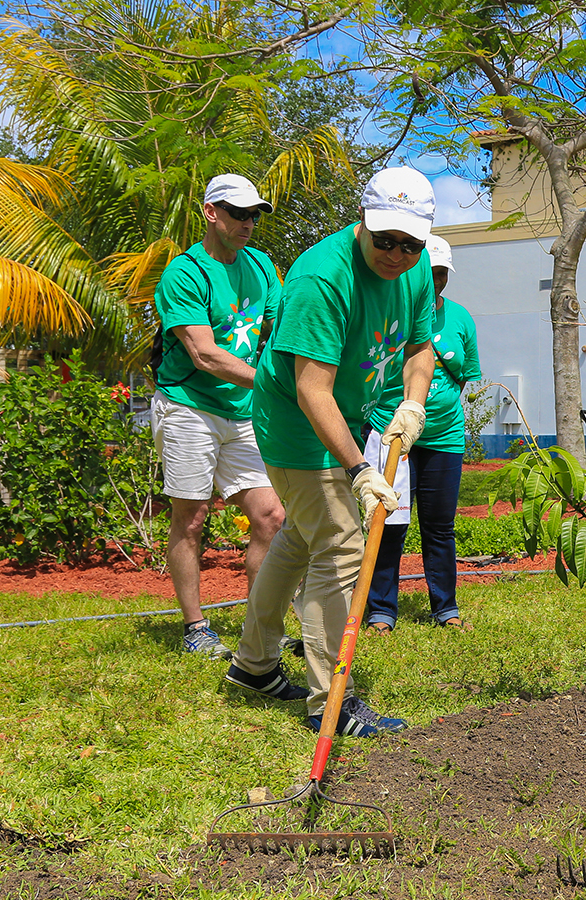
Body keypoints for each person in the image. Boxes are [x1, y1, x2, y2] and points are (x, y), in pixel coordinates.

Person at [226, 166, 438, 738]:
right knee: (342, 545)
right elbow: (310, 388)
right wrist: (360, 468)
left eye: (410, 244)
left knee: (299, 539)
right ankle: (330, 703)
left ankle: (253, 666)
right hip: (296, 424)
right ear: (363, 221)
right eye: (385, 239)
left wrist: (412, 405)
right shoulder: (323, 277)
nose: (396, 253)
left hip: (342, 415)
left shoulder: (414, 274)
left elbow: (421, 347)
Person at [150, 173, 286, 659]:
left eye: (255, 215)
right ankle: (195, 626)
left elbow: (279, 330)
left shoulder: (263, 266)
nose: (250, 223)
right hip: (190, 405)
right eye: (239, 213)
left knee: (271, 516)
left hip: (245, 409)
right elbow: (205, 355)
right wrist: (278, 384)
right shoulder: (185, 273)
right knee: (191, 518)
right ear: (212, 212)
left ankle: (260, 623)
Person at [361, 236, 480, 632]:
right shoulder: (391, 307)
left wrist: (434, 409)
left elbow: (463, 376)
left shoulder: (461, 318)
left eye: (442, 273)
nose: (436, 280)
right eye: (430, 272)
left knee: (439, 526)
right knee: (389, 522)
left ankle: (446, 608)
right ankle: (380, 611)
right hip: (392, 434)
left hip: (444, 438)